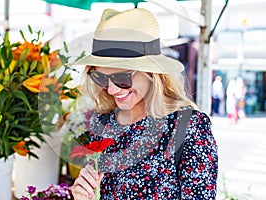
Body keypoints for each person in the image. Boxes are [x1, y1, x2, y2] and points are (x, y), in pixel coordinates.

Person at [71, 8, 218, 200]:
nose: (112, 90)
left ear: (152, 74)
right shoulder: (104, 122)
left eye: (122, 78)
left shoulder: (188, 126)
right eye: (101, 78)